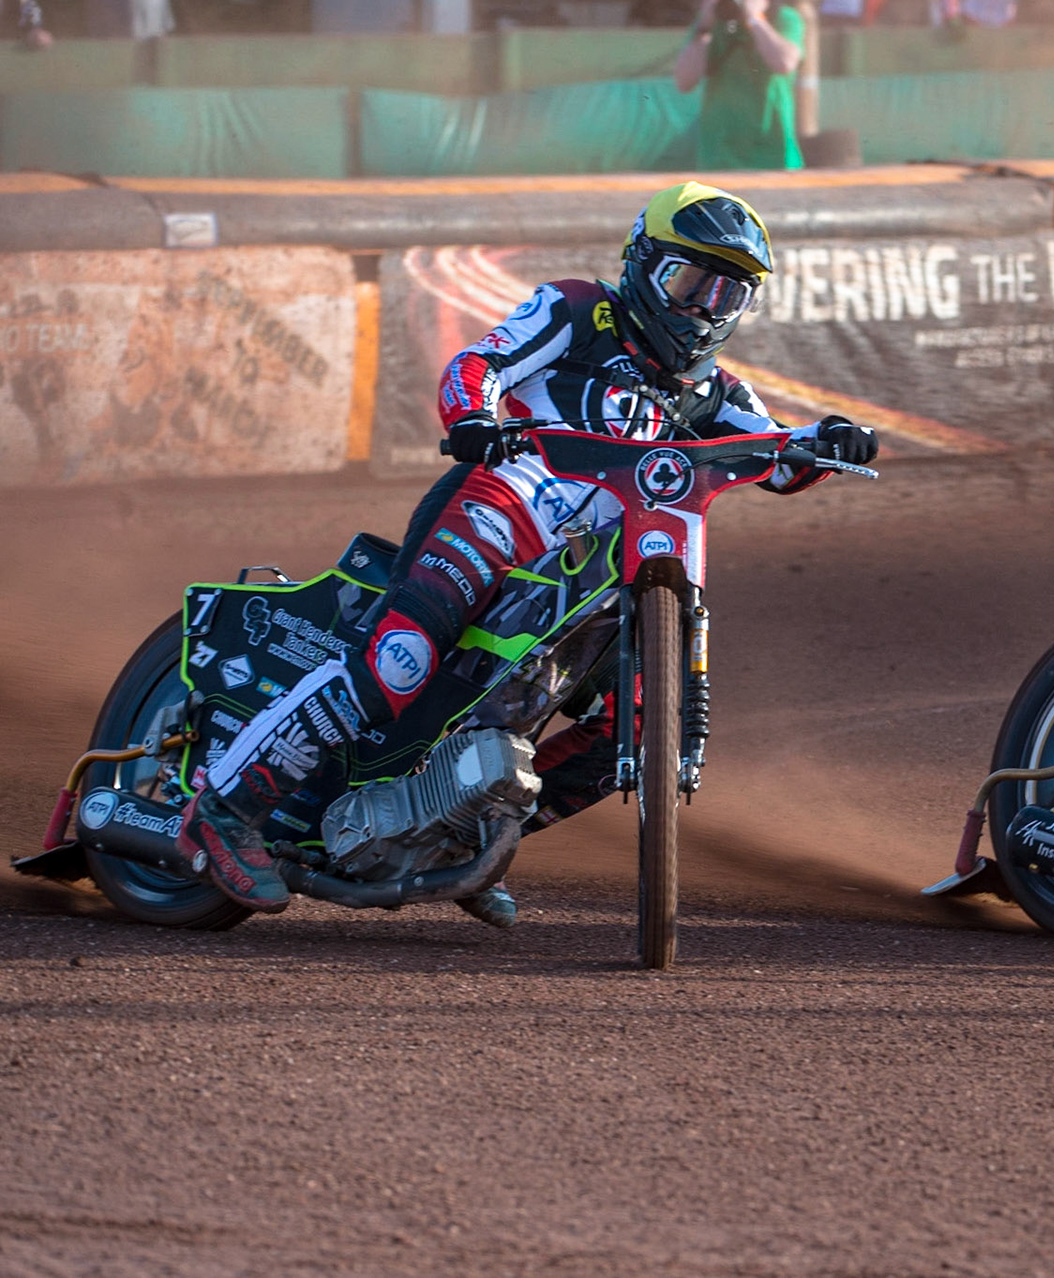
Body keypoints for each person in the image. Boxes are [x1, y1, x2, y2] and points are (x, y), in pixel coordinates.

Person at [174, 181, 878, 915]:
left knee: (626, 732)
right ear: (643, 261)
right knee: (398, 662)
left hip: (583, 570)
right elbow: (478, 364)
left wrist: (829, 440)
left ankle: (458, 832)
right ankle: (222, 811)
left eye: (726, 296)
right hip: (499, 507)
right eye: (690, 281)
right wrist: (472, 416)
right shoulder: (578, 309)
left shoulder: (712, 391)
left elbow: (778, 456)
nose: (703, 309)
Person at [675, 0, 806, 171]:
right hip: (719, 156)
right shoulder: (712, 23)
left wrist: (755, 18)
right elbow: (684, 82)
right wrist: (704, 28)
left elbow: (784, 63)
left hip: (774, 153)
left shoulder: (784, 17)